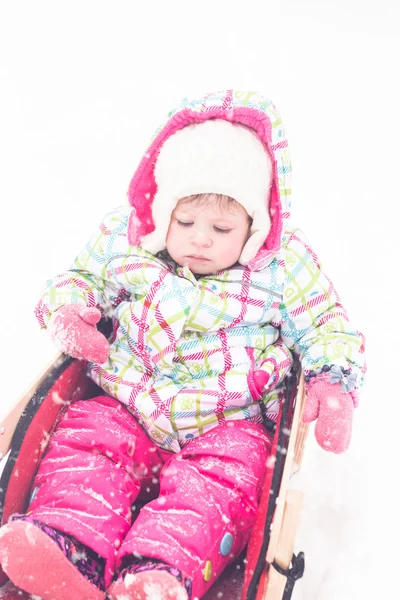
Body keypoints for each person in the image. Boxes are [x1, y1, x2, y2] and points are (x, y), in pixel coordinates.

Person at [0, 90, 365, 600]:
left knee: (218, 487)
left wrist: (334, 380)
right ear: (161, 213)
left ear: (254, 227)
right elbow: (79, 277)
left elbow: (326, 322)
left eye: (222, 228)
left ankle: (158, 572)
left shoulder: (281, 268)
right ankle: (69, 548)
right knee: (86, 442)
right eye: (185, 222)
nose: (200, 239)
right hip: (125, 401)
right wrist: (69, 310)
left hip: (228, 421)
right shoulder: (128, 242)